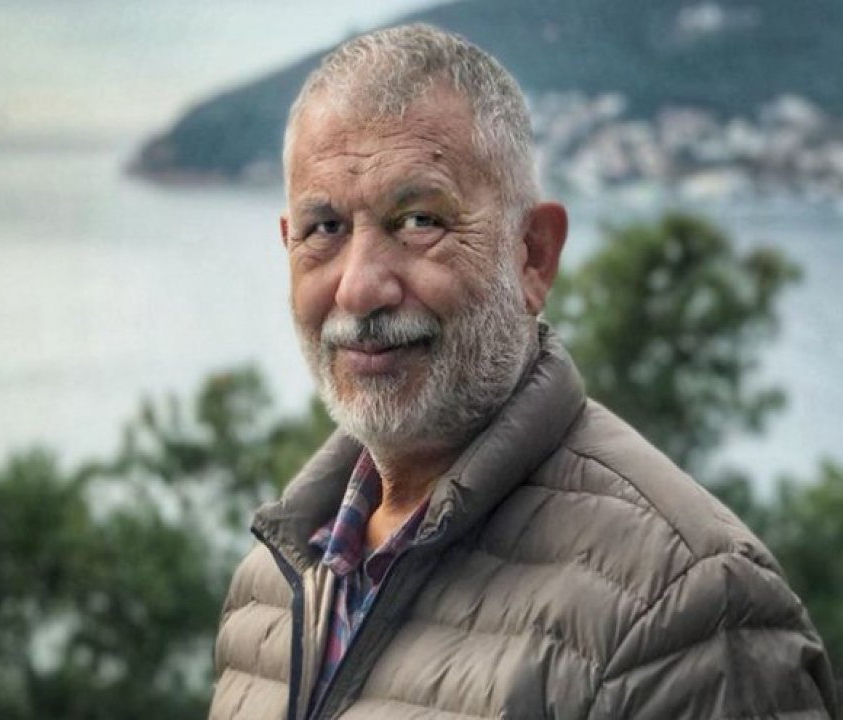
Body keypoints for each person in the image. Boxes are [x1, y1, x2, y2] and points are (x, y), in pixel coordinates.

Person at [208, 23, 837, 720]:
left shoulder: (686, 605)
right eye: (325, 229)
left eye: (418, 221)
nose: (358, 289)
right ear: (288, 245)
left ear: (533, 254)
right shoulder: (268, 591)